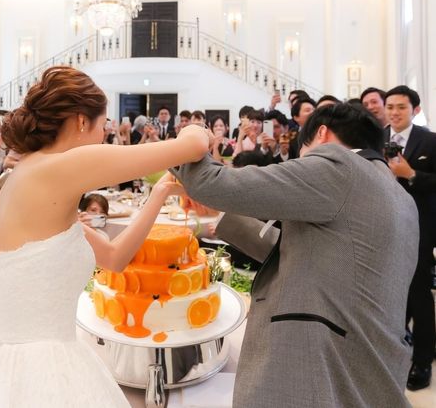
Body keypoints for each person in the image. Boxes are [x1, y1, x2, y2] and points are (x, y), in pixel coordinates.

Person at [0, 66, 208, 407]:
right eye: (103, 126)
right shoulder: (60, 168)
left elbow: (114, 257)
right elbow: (193, 145)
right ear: (81, 121)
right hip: (38, 368)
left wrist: (160, 191)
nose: (103, 136)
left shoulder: (34, 172)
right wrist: (196, 127)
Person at [171, 103, 418, 408]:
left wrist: (189, 139)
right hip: (368, 360)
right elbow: (310, 253)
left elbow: (210, 182)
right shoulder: (399, 196)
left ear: (322, 134)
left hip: (316, 361)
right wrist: (222, 213)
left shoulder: (338, 167)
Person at [384, 85, 436, 390]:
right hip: (383, 226)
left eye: (401, 107)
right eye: (390, 106)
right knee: (387, 291)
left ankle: (422, 360)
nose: (394, 112)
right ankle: (393, 350)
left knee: (418, 292)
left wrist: (411, 174)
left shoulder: (430, 140)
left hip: (419, 226)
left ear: (415, 110)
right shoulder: (375, 138)